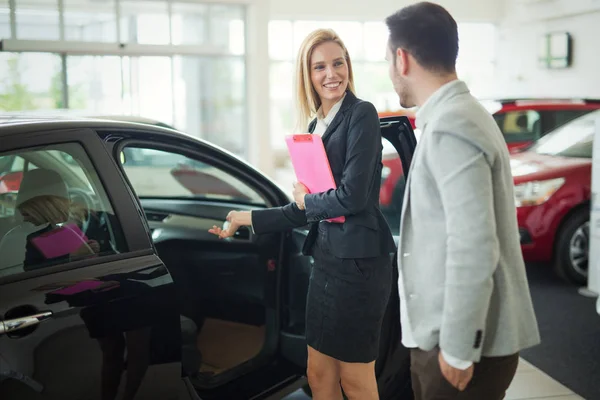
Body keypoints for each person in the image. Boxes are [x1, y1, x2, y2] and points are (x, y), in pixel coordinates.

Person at [209, 29, 395, 400]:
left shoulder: (362, 114)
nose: (331, 74)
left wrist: (308, 203)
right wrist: (246, 218)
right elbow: (306, 207)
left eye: (338, 63)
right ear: (307, 75)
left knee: (355, 380)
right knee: (318, 372)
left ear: (348, 66)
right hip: (325, 263)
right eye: (320, 66)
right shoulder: (315, 127)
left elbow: (352, 197)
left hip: (358, 267)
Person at [384, 3, 541, 399]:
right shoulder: (459, 115)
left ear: (402, 59)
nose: (390, 72)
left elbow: (473, 245)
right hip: (453, 340)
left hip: (457, 346)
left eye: (388, 60)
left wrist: (457, 348)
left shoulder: (452, 125)